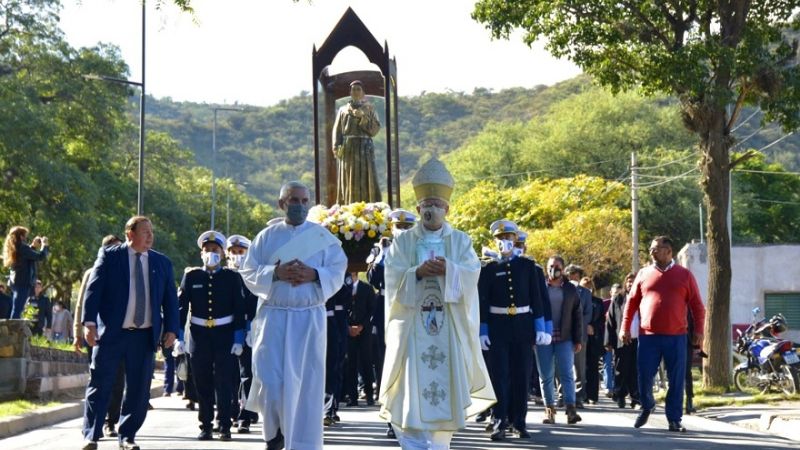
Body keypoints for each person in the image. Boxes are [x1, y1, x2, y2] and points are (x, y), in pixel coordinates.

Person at [379, 158, 495, 450]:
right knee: (410, 398)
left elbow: (471, 275)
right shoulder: (403, 243)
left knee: (445, 399)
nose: (431, 209)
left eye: (437, 204)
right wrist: (416, 273)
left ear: (447, 209)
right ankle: (413, 444)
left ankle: (441, 445)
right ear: (417, 209)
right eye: (426, 204)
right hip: (412, 332)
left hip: (448, 328)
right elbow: (391, 279)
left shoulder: (460, 241)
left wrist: (450, 270)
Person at [240, 181, 348, 450]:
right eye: (294, 200)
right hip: (274, 319)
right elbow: (249, 272)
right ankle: (274, 434)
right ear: (282, 204)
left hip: (308, 320)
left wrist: (315, 274)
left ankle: (301, 443)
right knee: (270, 382)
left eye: (304, 201)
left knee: (306, 386)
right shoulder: (266, 237)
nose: (299, 206)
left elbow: (338, 269)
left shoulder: (323, 238)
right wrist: (275, 273)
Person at [80, 216, 179, 450]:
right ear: (129, 234)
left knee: (138, 388)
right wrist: (89, 323)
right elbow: (93, 291)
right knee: (100, 383)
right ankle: (91, 435)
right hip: (112, 334)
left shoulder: (162, 263)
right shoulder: (110, 256)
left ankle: (127, 436)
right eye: (145, 232)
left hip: (143, 336)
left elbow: (170, 300)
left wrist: (172, 329)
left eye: (151, 232)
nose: (150, 236)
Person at [621, 236, 705, 433]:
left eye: (656, 249)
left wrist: (699, 331)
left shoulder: (684, 275)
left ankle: (674, 419)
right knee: (644, 376)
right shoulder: (643, 274)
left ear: (669, 251)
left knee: (676, 379)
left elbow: (698, 307)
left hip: (676, 336)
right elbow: (631, 303)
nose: (651, 252)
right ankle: (647, 405)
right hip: (648, 336)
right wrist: (624, 327)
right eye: (651, 248)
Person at [478, 220, 551, 441]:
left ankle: (519, 422)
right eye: (500, 239)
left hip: (522, 327)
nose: (504, 243)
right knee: (499, 376)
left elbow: (537, 298)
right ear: (496, 242)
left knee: (521, 376)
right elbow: (482, 301)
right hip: (498, 328)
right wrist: (482, 330)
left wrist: (541, 326)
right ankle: (499, 420)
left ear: (514, 240)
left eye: (508, 239)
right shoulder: (489, 268)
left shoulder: (528, 267)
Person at [176, 231, 246, 441]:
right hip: (199, 335)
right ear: (201, 253)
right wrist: (179, 338)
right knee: (202, 381)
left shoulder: (232, 277)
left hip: (224, 335)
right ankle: (205, 425)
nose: (211, 253)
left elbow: (239, 308)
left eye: (215, 250)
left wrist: (239, 338)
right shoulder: (191, 276)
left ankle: (224, 425)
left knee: (224, 382)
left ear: (223, 254)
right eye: (207, 250)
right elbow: (181, 309)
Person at [366, 209, 417, 439]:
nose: (402, 231)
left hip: (409, 308)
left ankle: (411, 415)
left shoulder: (417, 247)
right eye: (399, 227)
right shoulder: (380, 248)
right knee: (385, 364)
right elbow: (372, 280)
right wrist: (382, 256)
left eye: (406, 228)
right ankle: (391, 418)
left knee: (409, 364)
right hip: (386, 309)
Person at [535, 255, 583, 425]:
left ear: (563, 269)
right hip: (544, 336)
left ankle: (571, 409)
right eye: (550, 266)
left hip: (565, 336)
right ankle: (549, 410)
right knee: (546, 375)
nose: (552, 269)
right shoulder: (540, 286)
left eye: (556, 266)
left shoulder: (570, 289)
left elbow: (577, 315)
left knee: (567, 373)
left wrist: (578, 339)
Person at [226, 234, 260, 433]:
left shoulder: (251, 276)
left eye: (241, 252)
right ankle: (230, 411)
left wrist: (250, 330)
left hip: (246, 331)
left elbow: (254, 305)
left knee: (246, 375)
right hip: (225, 331)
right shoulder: (222, 276)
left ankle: (245, 415)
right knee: (228, 375)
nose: (237, 256)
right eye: (233, 252)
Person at [333, 80, 381, 204]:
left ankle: (368, 207)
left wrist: (362, 117)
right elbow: (337, 129)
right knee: (348, 177)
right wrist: (335, 145)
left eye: (358, 89)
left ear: (363, 93)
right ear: (350, 92)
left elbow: (375, 130)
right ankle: (348, 205)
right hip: (348, 147)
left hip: (365, 148)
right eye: (353, 89)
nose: (355, 92)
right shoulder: (343, 110)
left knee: (366, 178)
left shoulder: (369, 109)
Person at [605, 273, 640, 409]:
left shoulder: (643, 298)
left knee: (635, 369)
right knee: (621, 368)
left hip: (639, 339)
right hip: (622, 340)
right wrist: (608, 341)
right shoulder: (619, 299)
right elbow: (610, 321)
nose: (631, 284)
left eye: (633, 281)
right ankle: (620, 395)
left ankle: (636, 397)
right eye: (629, 282)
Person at [343, 272, 377, 407]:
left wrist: (362, 326)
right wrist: (348, 327)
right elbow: (343, 309)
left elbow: (371, 310)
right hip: (349, 331)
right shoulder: (344, 288)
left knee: (366, 362)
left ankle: (369, 395)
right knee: (351, 363)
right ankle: (352, 396)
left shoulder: (367, 288)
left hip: (364, 331)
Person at [2, 226, 49, 319]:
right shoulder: (23, 247)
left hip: (15, 282)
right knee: (17, 309)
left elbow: (27, 256)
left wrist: (32, 246)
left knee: (16, 307)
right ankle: (13, 330)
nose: (26, 238)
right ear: (21, 236)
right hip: (22, 283)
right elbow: (40, 256)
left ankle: (12, 328)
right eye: (25, 236)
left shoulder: (16, 247)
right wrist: (44, 245)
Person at [324, 274, 351, 426]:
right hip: (319, 318)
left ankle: (330, 409)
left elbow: (344, 294)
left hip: (335, 322)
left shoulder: (339, 271)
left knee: (334, 367)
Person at [564, 264, 592, 408]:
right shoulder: (561, 289)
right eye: (570, 273)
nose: (572, 276)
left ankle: (579, 396)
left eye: (575, 274)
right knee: (561, 366)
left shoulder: (585, 293)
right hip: (562, 333)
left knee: (579, 366)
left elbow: (588, 313)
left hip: (579, 334)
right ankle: (563, 395)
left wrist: (578, 326)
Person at [579, 277, 605, 405]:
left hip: (594, 338)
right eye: (584, 286)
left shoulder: (598, 302)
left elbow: (602, 319)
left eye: (589, 286)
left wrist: (593, 326)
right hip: (580, 336)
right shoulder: (576, 300)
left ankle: (592, 395)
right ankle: (581, 394)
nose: (587, 289)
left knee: (593, 367)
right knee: (580, 368)